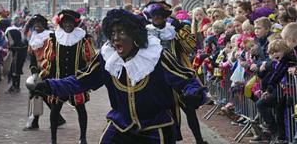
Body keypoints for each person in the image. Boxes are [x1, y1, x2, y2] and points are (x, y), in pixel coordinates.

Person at [34, 8, 207, 144]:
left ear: (134, 35)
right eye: (113, 34)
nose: (116, 39)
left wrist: (193, 93)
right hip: (121, 125)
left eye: (122, 33)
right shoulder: (107, 58)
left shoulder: (156, 56)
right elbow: (81, 80)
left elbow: (185, 79)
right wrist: (48, 86)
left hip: (156, 127)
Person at [144, 1, 208, 144]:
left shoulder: (174, 30)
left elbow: (190, 47)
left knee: (190, 110)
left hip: (178, 75)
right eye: (154, 16)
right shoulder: (145, 32)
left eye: (160, 15)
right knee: (164, 113)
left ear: (165, 16)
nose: (157, 18)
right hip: (157, 78)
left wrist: (179, 31)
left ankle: (199, 140)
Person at [49, 9, 96, 144]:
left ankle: (83, 137)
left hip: (76, 81)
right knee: (55, 108)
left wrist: (86, 78)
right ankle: (53, 139)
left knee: (80, 108)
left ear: (74, 24)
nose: (67, 24)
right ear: (61, 23)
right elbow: (50, 61)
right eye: (65, 22)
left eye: (70, 22)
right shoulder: (54, 38)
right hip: (59, 80)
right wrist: (48, 78)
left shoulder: (83, 39)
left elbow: (89, 59)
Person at [22, 14, 66, 131]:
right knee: (38, 94)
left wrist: (47, 68)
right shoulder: (33, 37)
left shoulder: (50, 36)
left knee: (44, 95)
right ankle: (42, 121)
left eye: (39, 24)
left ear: (43, 24)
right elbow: (32, 54)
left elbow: (53, 54)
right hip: (38, 70)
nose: (36, 26)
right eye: (34, 24)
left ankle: (54, 118)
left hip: (49, 69)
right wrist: (33, 68)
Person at [5, 19, 28, 93]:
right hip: (18, 56)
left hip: (17, 57)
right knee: (16, 71)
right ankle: (15, 86)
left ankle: (15, 86)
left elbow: (11, 44)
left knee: (15, 71)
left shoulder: (18, 46)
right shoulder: (22, 44)